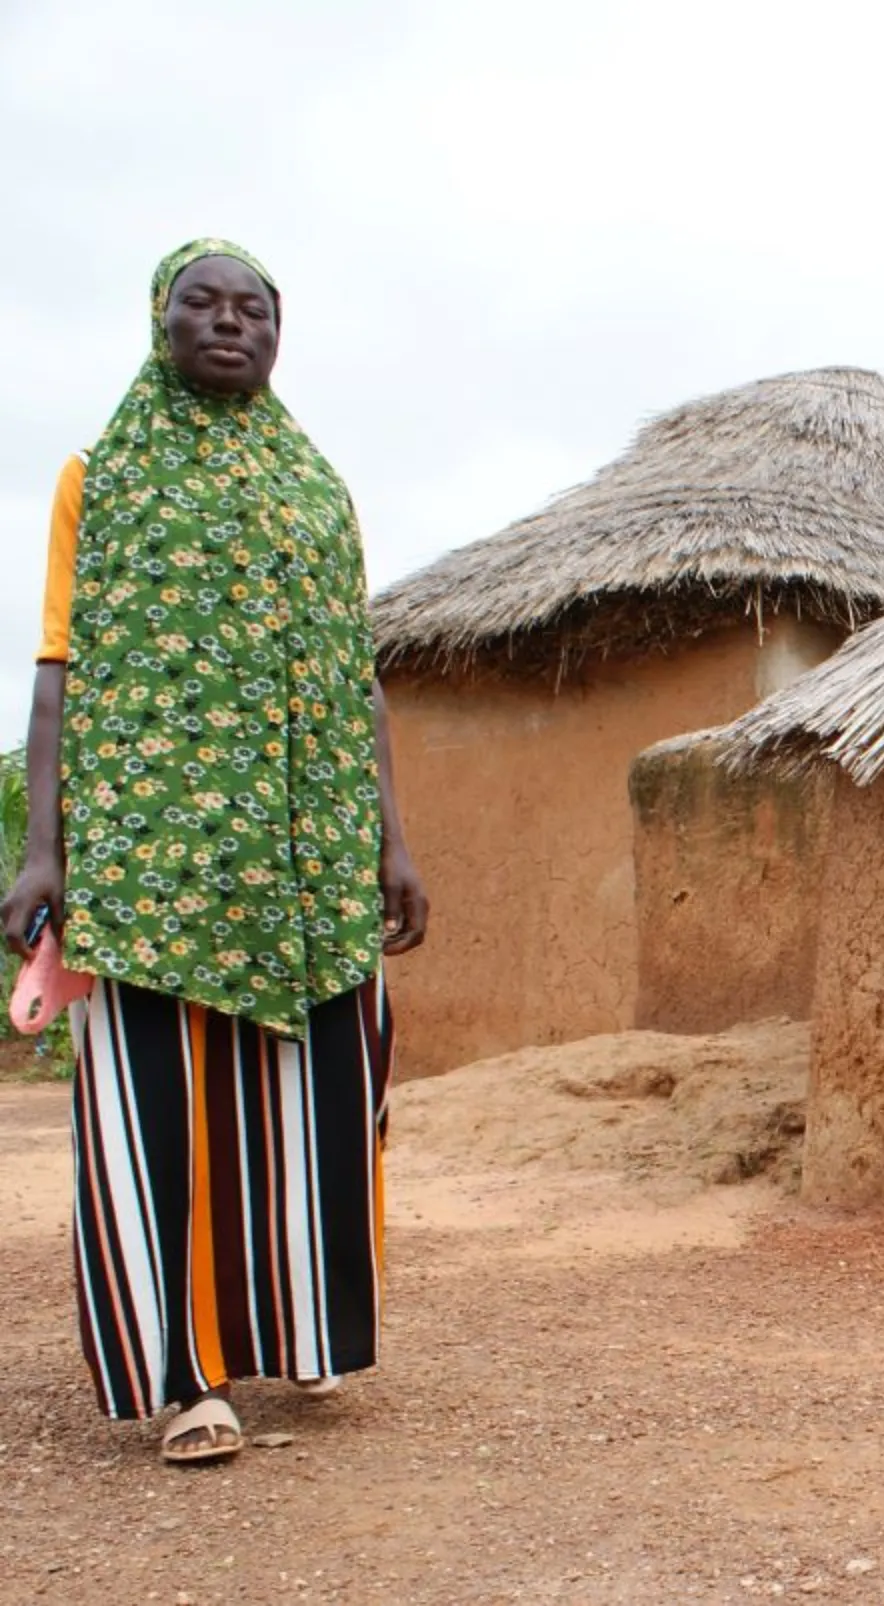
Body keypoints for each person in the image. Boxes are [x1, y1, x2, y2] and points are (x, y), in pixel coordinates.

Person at [2, 239, 429, 1465]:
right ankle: (185, 1378)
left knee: (307, 1105)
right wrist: (47, 851)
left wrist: (395, 842)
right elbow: (57, 674)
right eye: (205, 304)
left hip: (310, 857)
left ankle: (292, 1340)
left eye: (255, 309)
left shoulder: (318, 490)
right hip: (153, 861)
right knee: (160, 1112)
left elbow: (359, 682)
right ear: (160, 321)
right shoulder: (103, 480)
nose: (230, 324)